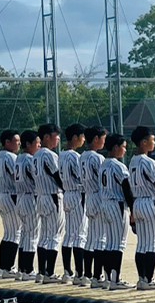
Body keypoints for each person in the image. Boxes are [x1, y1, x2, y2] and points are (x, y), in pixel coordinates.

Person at [128, 125, 155, 291]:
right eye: (152, 140)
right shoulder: (149, 162)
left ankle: (142, 278)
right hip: (151, 202)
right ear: (144, 142)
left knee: (142, 244)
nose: (154, 143)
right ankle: (149, 279)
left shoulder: (132, 161)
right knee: (153, 243)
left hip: (138, 202)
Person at [95, 133, 132, 290]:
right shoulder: (118, 166)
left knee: (109, 243)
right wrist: (133, 209)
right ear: (116, 147)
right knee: (118, 243)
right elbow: (127, 189)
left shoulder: (103, 164)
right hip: (117, 204)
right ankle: (115, 280)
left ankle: (108, 277)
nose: (125, 150)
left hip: (105, 203)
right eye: (123, 147)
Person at [33, 123, 65, 283]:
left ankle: (41, 272)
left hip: (41, 196)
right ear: (46, 137)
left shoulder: (36, 155)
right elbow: (57, 176)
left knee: (44, 236)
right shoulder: (49, 155)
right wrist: (67, 189)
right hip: (52, 196)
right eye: (56, 136)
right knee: (54, 235)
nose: (58, 139)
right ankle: (49, 273)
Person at [78, 125, 107, 287]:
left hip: (88, 196)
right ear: (96, 139)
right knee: (101, 238)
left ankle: (87, 275)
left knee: (91, 238)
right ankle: (97, 276)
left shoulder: (82, 156)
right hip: (98, 195)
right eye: (103, 138)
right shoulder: (98, 158)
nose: (104, 142)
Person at [59, 123, 88, 283]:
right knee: (80, 234)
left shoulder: (61, 154)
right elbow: (81, 177)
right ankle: (80, 274)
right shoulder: (75, 156)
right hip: (77, 194)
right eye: (82, 137)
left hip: (67, 194)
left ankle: (67, 271)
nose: (84, 140)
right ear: (75, 137)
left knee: (69, 234)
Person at [0, 129, 22, 279]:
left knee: (9, 233)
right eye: (16, 141)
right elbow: (17, 176)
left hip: (2, 195)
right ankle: (8, 267)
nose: (19, 144)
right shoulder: (11, 157)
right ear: (7, 142)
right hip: (11, 195)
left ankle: (2, 268)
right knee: (15, 234)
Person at [14, 130, 41, 280]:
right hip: (30, 197)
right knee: (32, 235)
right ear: (28, 144)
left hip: (20, 198)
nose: (39, 146)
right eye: (37, 143)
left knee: (25, 234)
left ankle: (21, 269)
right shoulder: (31, 159)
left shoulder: (18, 158)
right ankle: (28, 270)